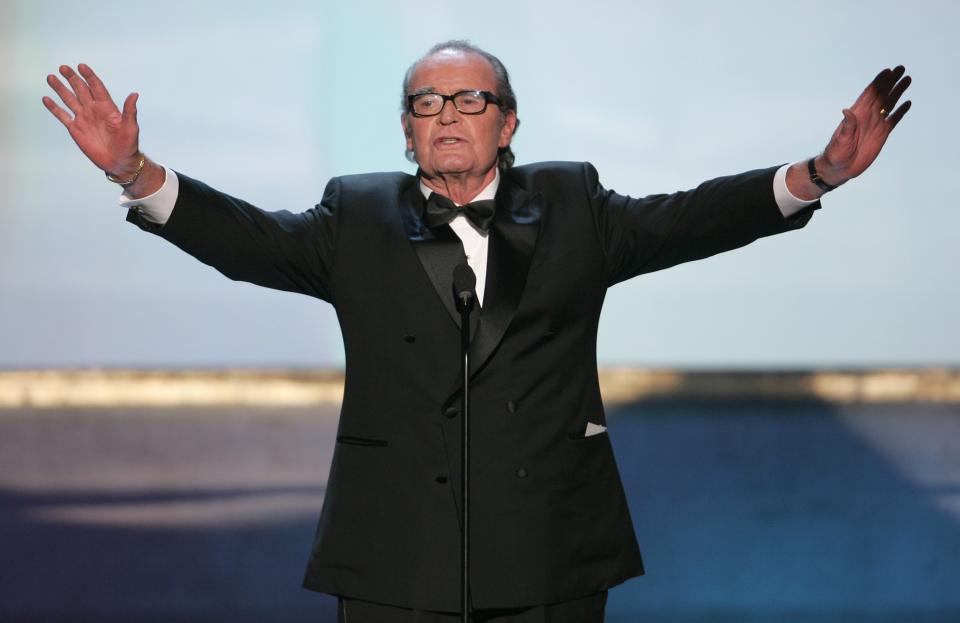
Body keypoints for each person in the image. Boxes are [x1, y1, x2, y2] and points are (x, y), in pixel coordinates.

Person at [43, 40, 910, 623]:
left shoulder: (573, 203)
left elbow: (689, 219)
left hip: (547, 550)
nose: (448, 113)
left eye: (470, 98)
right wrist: (134, 170)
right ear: (406, 127)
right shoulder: (357, 213)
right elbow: (248, 241)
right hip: (395, 553)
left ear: (509, 122)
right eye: (426, 102)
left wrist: (818, 173)